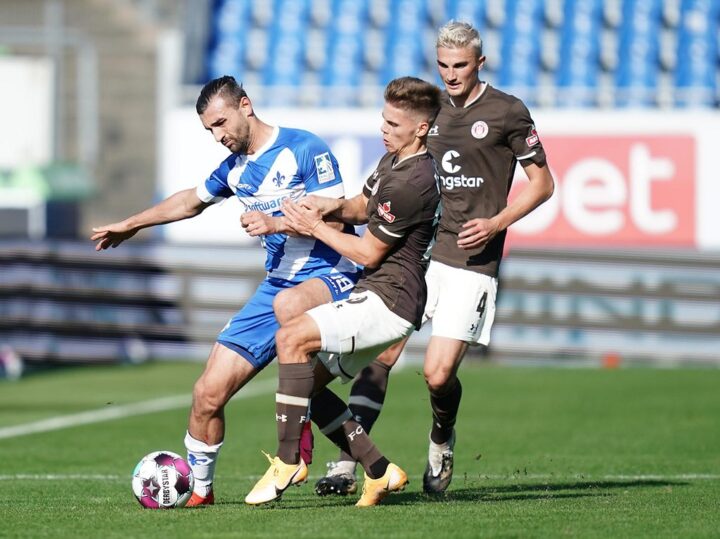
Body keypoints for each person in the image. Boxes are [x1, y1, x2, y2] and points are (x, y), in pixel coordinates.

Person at [90, 75, 361, 506]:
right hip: (275, 287)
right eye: (209, 131)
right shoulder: (234, 169)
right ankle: (200, 492)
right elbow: (189, 202)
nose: (218, 136)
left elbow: (338, 218)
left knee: (298, 353)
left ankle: (302, 446)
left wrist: (277, 222)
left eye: (220, 124)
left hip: (330, 277)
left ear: (245, 106)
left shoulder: (304, 148)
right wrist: (132, 223)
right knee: (207, 394)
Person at [314, 20, 555, 497]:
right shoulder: (429, 111)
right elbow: (386, 180)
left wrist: (497, 222)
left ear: (479, 63)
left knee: (438, 374)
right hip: (420, 254)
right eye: (443, 65)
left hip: (471, 259)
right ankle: (347, 461)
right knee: (378, 356)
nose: (451, 74)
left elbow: (543, 185)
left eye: (460, 65)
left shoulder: (508, 112)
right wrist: (331, 208)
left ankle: (442, 438)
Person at [243, 76, 442, 507]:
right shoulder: (395, 162)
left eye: (393, 123)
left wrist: (314, 227)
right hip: (383, 293)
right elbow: (362, 205)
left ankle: (286, 460)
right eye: (383, 119)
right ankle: (379, 470)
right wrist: (329, 207)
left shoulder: (413, 182)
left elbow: (368, 251)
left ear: (421, 128)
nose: (384, 129)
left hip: (391, 299)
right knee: (307, 388)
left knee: (290, 337)